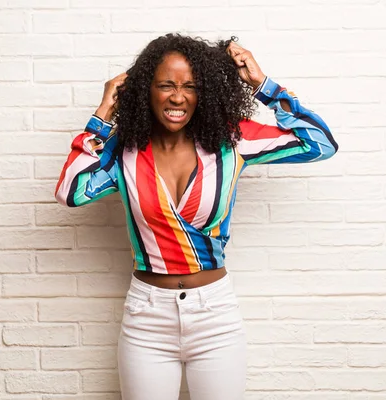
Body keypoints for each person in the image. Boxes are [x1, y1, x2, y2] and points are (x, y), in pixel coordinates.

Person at [54, 33, 338, 400]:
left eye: (190, 86)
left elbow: (319, 143)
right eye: (166, 85)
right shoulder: (123, 149)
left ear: (205, 92)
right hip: (147, 318)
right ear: (145, 90)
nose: (178, 97)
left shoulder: (233, 141)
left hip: (215, 316)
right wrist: (103, 114)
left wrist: (262, 85)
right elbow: (69, 193)